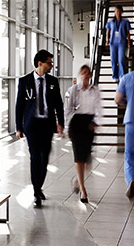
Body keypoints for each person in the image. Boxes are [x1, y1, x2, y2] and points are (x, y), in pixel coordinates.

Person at [15, 49, 65, 207]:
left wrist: (61, 123)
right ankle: (36, 190)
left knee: (44, 159)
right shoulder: (25, 81)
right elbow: (19, 106)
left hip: (47, 125)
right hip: (32, 125)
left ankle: (38, 186)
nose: (51, 66)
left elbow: (59, 104)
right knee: (35, 157)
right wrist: (18, 127)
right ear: (40, 63)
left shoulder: (52, 81)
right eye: (49, 63)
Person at [66, 65, 100, 204]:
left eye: (88, 73)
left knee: (86, 160)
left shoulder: (95, 90)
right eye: (83, 73)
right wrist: (65, 126)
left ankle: (77, 180)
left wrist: (96, 122)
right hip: (77, 124)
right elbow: (68, 108)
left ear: (91, 75)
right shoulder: (74, 90)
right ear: (80, 74)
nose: (85, 75)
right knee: (79, 158)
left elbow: (99, 108)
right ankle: (83, 190)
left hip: (89, 124)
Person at [115, 50, 134, 199]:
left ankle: (132, 179)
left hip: (131, 119)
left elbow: (117, 100)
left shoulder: (126, 78)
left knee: (130, 154)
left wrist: (128, 102)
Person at [106, 5, 131, 81]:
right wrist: (107, 40)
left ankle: (122, 75)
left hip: (122, 42)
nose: (118, 12)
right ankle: (115, 75)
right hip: (113, 43)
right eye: (116, 11)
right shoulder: (111, 21)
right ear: (114, 12)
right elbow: (108, 31)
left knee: (121, 59)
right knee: (113, 59)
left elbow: (128, 33)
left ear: (122, 12)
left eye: (119, 11)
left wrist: (129, 42)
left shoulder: (125, 21)